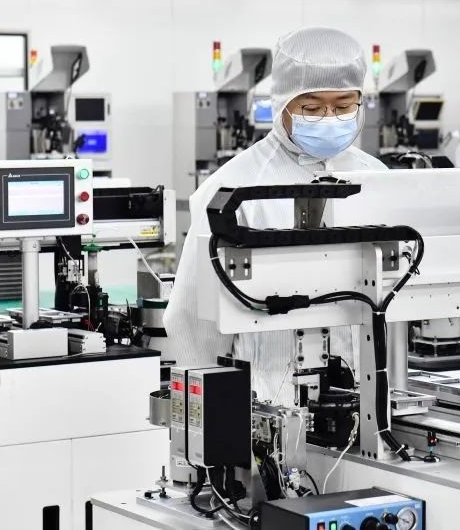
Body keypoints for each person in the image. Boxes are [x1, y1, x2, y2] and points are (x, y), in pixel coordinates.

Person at [164, 27, 385, 404]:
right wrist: (217, 408)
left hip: (367, 398)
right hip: (268, 401)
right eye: (312, 108)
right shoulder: (236, 187)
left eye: (344, 106)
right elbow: (193, 320)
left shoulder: (377, 178)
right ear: (281, 103)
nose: (329, 119)